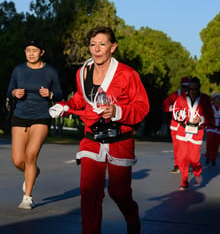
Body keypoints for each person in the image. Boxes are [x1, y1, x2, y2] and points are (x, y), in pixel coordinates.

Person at [49, 26, 149, 234]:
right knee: (89, 192)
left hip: (119, 140)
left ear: (113, 47)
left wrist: (117, 111)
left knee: (119, 192)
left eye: (102, 44)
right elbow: (80, 100)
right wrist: (65, 107)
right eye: (93, 44)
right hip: (91, 139)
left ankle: (132, 217)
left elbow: (142, 107)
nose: (97, 49)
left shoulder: (128, 74)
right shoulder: (82, 72)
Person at [7, 38, 63, 209]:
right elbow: (9, 91)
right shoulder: (18, 70)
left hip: (41, 116)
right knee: (18, 160)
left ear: (42, 52)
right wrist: (15, 92)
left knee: (31, 156)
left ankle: (27, 197)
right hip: (20, 115)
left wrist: (51, 94)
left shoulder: (50, 72)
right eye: (28, 50)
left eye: (34, 50)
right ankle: (33, 172)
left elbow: (60, 93)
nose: (31, 53)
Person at [172, 77, 213, 191]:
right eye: (191, 88)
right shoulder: (181, 98)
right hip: (183, 130)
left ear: (199, 88)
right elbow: (175, 111)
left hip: (197, 132)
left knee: (194, 159)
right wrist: (180, 115)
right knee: (183, 157)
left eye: (195, 88)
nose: (193, 91)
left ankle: (197, 172)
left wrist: (201, 119)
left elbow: (210, 116)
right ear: (188, 88)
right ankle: (184, 181)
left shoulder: (205, 99)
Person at [162, 77, 190, 174]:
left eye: (187, 87)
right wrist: (174, 109)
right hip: (176, 125)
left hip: (187, 126)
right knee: (177, 146)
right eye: (183, 87)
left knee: (186, 146)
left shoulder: (193, 96)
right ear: (180, 86)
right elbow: (165, 105)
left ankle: (186, 164)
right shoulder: (176, 95)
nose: (185, 89)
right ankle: (177, 165)